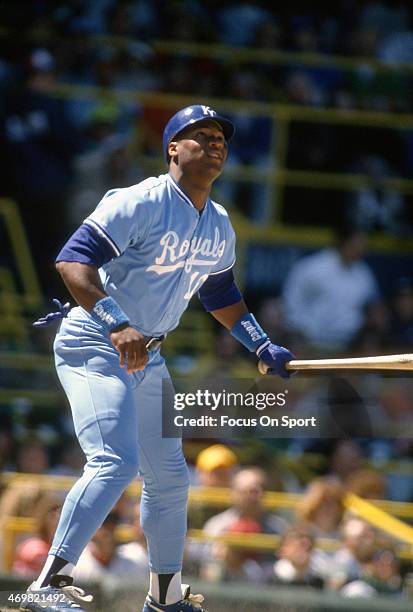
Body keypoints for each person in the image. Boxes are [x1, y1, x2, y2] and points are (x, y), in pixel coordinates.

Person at [26, 104, 295, 612]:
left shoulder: (217, 223)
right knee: (114, 461)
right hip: (94, 342)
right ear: (172, 148)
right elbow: (71, 259)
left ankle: (165, 597)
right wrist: (116, 323)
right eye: (201, 135)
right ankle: (45, 585)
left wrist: (260, 343)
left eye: (220, 137)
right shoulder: (140, 200)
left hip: (146, 354)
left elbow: (220, 294)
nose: (214, 143)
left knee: (171, 478)